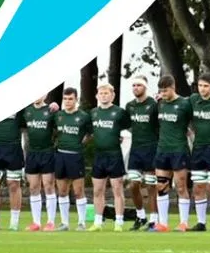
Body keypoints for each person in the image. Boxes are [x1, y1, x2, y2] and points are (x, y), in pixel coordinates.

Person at [185, 75, 210, 232]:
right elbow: (181, 110)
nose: (202, 89)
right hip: (198, 148)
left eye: (206, 86)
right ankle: (201, 222)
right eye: (200, 85)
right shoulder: (193, 100)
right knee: (198, 186)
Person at [88, 82, 130, 230]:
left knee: (117, 189)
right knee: (97, 190)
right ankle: (98, 222)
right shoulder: (93, 113)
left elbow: (128, 129)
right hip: (99, 156)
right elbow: (89, 133)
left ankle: (119, 222)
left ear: (112, 95)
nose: (104, 95)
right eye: (101, 93)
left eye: (106, 93)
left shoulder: (119, 112)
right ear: (97, 95)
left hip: (114, 155)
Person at [152, 76, 192, 230]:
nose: (163, 94)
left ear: (173, 87)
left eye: (166, 90)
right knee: (161, 186)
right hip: (162, 150)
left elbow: (194, 121)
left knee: (181, 186)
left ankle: (184, 222)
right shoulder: (159, 104)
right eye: (161, 91)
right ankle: (163, 223)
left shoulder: (184, 103)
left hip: (179, 150)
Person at [122, 77, 158, 230]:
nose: (136, 88)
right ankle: (140, 216)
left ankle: (153, 219)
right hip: (135, 150)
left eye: (139, 85)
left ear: (145, 87)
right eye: (134, 85)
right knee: (133, 185)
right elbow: (125, 124)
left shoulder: (153, 105)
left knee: (151, 186)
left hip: (151, 149)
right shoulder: (129, 106)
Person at [53, 86, 92, 229]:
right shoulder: (58, 115)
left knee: (78, 191)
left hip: (75, 156)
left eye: (70, 99)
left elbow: (90, 134)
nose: (67, 101)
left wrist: (81, 144)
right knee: (62, 191)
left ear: (76, 99)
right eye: (65, 99)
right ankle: (64, 223)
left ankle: (81, 222)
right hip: (60, 155)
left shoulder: (83, 116)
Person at [19, 91, 58, 230]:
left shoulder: (51, 110)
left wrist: (57, 106)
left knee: (48, 185)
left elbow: (60, 128)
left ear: (46, 95)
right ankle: (36, 222)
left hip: (47, 152)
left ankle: (51, 222)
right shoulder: (26, 111)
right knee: (33, 187)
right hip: (31, 153)